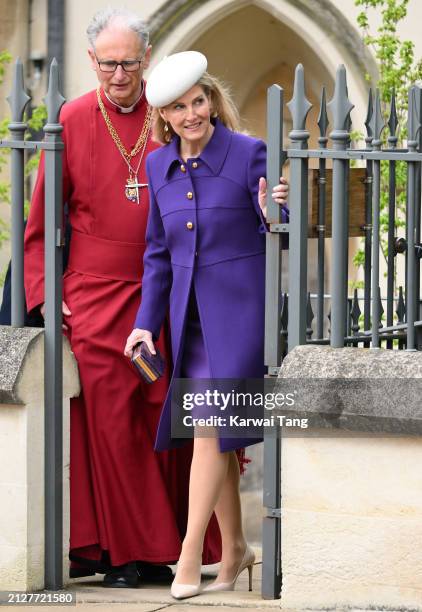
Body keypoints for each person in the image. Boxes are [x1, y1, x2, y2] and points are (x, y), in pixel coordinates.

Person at [24, 10, 221, 588]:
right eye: (108, 63)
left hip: (167, 288)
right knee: (110, 419)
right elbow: (42, 221)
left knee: (167, 411)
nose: (118, 74)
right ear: (92, 63)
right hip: (93, 294)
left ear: (147, 57)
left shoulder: (169, 115)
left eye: (129, 62)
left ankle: (177, 542)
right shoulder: (70, 118)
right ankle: (125, 552)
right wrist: (45, 288)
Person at [124, 51, 289, 599]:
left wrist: (274, 210)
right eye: (179, 107)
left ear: (211, 101)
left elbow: (277, 217)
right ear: (164, 116)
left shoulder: (248, 153)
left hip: (239, 315)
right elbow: (157, 254)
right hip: (189, 324)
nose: (192, 114)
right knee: (212, 436)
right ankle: (236, 548)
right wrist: (146, 325)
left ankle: (189, 555)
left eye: (198, 101)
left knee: (209, 432)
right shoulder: (156, 166)